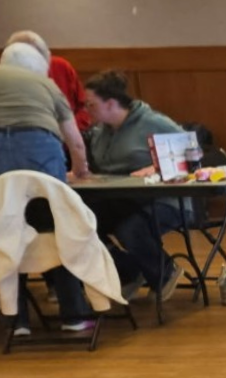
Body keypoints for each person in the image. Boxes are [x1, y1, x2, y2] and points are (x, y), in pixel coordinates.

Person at [0, 40, 96, 334]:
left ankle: (15, 319)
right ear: (38, 68)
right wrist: (79, 170)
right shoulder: (46, 85)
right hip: (42, 149)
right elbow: (74, 139)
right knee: (57, 225)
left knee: (6, 229)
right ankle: (72, 315)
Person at [81, 69, 190, 304]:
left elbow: (191, 151)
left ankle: (164, 272)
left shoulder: (153, 122)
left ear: (110, 103)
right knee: (79, 223)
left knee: (130, 229)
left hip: (163, 200)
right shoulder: (100, 133)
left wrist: (158, 167)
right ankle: (129, 270)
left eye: (90, 104)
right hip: (121, 199)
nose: (86, 110)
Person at [7, 29, 91, 135]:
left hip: (68, 137)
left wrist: (68, 132)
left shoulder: (61, 67)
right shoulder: (6, 79)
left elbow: (84, 108)